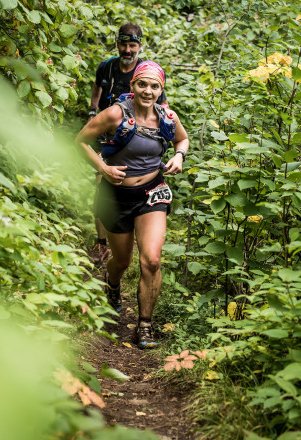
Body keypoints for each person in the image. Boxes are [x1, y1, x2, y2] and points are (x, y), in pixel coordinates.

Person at [75, 61, 189, 349]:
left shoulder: (167, 116)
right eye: (142, 84)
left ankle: (145, 326)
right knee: (122, 260)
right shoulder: (115, 114)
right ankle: (112, 285)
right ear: (133, 86)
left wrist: (179, 157)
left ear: (161, 90)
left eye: (154, 86)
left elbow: (183, 140)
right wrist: (103, 168)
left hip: (153, 192)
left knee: (151, 259)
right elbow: (81, 141)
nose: (148, 91)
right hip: (115, 197)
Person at [87, 23, 168, 265]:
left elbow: (162, 103)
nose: (127, 49)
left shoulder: (146, 71)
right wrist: (93, 110)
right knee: (103, 180)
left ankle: (127, 232)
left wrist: (162, 128)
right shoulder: (107, 66)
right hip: (107, 132)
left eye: (132, 45)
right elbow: (97, 87)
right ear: (117, 43)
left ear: (139, 46)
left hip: (137, 133)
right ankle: (102, 242)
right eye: (124, 44)